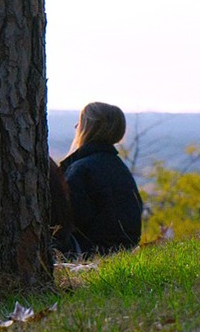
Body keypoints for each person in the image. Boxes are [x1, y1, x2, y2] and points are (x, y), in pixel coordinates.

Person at [59, 102, 143, 256]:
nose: (76, 126)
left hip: (87, 253)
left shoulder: (80, 170)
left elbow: (70, 221)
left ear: (87, 128)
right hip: (123, 252)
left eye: (80, 123)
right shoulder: (119, 168)